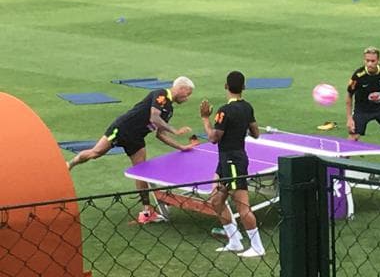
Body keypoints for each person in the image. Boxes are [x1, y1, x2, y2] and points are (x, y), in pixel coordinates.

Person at [67, 76, 196, 222]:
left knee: (141, 171)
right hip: (122, 129)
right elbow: (154, 118)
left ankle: (146, 212)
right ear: (181, 88)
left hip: (137, 138)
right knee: (96, 153)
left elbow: (160, 135)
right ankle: (70, 164)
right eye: (188, 94)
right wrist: (175, 130)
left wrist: (181, 147)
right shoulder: (161, 94)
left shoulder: (169, 109)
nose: (187, 98)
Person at [200, 71, 266, 258]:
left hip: (233, 161)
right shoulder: (247, 107)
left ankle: (257, 247)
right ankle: (235, 241)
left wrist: (205, 118)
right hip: (227, 160)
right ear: (243, 87)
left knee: (242, 206)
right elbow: (255, 133)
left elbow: (213, 138)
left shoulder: (224, 111)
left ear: (226, 86)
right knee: (216, 200)